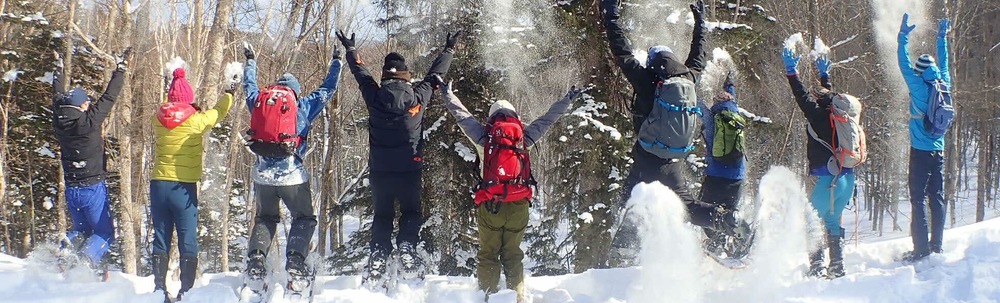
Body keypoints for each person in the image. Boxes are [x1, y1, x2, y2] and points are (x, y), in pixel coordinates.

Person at [442, 81, 586, 302]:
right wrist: (568, 97)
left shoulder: (484, 139)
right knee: (513, 255)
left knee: (489, 254)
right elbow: (549, 118)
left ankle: (489, 297)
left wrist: (447, 93)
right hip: (519, 205)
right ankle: (517, 297)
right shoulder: (524, 139)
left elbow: (462, 116)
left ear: (492, 118)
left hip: (491, 205)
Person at [601, 0, 721, 264]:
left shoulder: (646, 82)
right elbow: (700, 51)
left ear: (654, 63)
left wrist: (610, 15)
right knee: (685, 205)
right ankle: (724, 220)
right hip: (673, 159)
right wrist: (701, 22)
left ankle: (623, 256)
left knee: (631, 201)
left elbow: (620, 49)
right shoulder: (690, 76)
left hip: (647, 157)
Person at [336, 29, 459, 284]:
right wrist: (448, 49)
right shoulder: (418, 96)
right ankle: (406, 248)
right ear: (405, 75)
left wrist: (351, 50)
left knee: (382, 215)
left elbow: (360, 73)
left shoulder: (375, 96)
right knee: (411, 212)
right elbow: (436, 74)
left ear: (384, 74)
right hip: (409, 169)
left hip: (380, 170)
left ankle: (379, 254)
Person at [240, 43, 343, 291]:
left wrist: (251, 60)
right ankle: (295, 261)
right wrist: (337, 61)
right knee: (304, 218)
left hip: (263, 176)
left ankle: (256, 260)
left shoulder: (259, 101)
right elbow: (328, 89)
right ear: (294, 92)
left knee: (265, 217)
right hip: (292, 176)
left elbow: (249, 86)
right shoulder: (302, 106)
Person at [150, 66, 235, 301]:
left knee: (160, 235)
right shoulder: (196, 121)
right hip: (183, 188)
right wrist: (229, 92)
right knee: (187, 238)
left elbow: (170, 108)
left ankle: (159, 289)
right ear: (189, 99)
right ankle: (186, 291)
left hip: (158, 184)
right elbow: (218, 112)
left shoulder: (157, 118)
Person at [782, 47, 864, 279]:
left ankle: (817, 267)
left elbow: (801, 95)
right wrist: (824, 76)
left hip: (825, 179)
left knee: (812, 221)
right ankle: (837, 265)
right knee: (831, 220)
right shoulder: (842, 117)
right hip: (846, 179)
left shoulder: (816, 115)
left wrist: (792, 72)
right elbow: (826, 95)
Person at [52, 47, 130, 279]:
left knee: (82, 230)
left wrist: (58, 69)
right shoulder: (88, 122)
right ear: (82, 106)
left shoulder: (59, 119)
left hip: (72, 188)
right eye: (86, 103)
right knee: (105, 233)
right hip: (92, 187)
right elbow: (109, 97)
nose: (89, 106)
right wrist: (121, 70)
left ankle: (64, 257)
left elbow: (57, 95)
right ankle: (86, 263)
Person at [897, 14, 953, 262]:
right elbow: (946, 63)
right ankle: (937, 246)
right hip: (939, 150)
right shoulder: (945, 84)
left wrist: (902, 38)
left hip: (919, 152)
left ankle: (920, 249)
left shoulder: (917, 86)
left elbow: (903, 63)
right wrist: (942, 38)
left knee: (917, 199)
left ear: (919, 73)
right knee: (937, 197)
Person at [697, 72, 770, 260]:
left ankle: (716, 244)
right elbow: (731, 98)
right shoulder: (734, 114)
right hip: (737, 178)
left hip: (715, 177)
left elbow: (698, 105)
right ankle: (732, 245)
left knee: (707, 214)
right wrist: (730, 85)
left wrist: (691, 83)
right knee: (728, 213)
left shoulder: (713, 118)